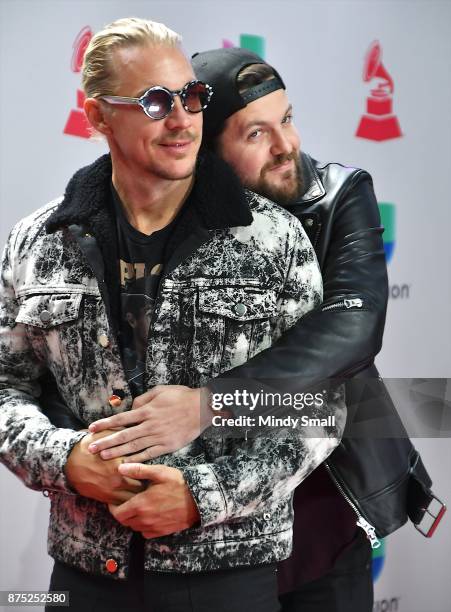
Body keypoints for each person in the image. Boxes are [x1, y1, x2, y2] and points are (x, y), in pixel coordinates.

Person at [0, 20, 345, 612]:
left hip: (228, 571)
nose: (183, 120)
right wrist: (66, 460)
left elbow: (323, 409)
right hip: (84, 574)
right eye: (156, 101)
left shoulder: (273, 240)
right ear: (99, 116)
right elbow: (5, 388)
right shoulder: (38, 241)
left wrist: (202, 497)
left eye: (191, 97)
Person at [84, 47, 440, 612]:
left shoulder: (338, 194)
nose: (287, 146)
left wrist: (210, 404)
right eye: (256, 133)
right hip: (204, 533)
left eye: (288, 119)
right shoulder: (155, 212)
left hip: (324, 500)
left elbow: (352, 329)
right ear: (206, 148)